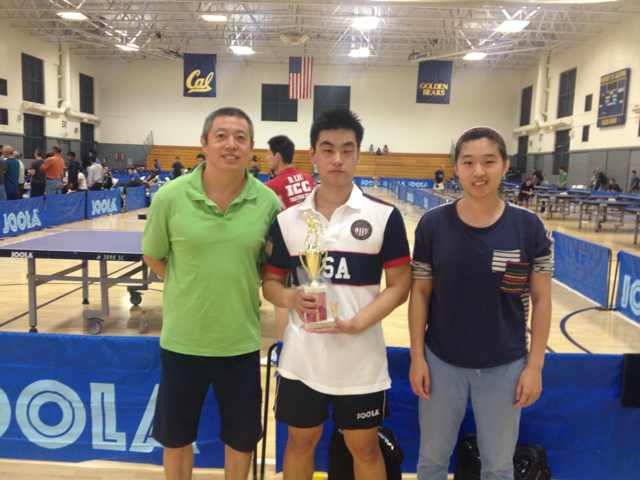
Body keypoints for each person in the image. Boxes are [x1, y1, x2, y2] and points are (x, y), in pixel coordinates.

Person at [263, 109, 412, 480]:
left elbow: (400, 285)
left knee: (365, 447)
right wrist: (291, 299)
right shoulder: (288, 221)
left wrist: (359, 322)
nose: (337, 159)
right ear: (312, 154)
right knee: (300, 443)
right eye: (328, 149)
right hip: (302, 359)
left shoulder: (384, 216)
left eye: (347, 149)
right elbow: (270, 284)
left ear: (358, 153)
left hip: (361, 360)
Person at [142, 107, 280, 480]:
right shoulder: (170, 197)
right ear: (204, 143)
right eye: (221, 136)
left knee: (241, 439)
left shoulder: (269, 204)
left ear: (251, 148)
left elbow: (271, 267)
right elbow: (153, 255)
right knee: (176, 438)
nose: (231, 144)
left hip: (240, 342)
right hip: (182, 341)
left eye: (240, 138)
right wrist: (188, 282)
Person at [409, 127, 552, 480]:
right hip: (441, 363)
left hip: (505, 366)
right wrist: (417, 357)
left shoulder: (530, 227)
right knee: (431, 463)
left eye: (489, 162)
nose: (479, 172)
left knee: (499, 468)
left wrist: (535, 366)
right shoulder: (432, 225)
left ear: (505, 165)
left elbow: (542, 299)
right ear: (456, 167)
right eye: (468, 162)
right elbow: (420, 293)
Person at [266, 135, 315, 208]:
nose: (266, 158)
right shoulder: (308, 178)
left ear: (277, 157)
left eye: (269, 154)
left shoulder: (271, 186)